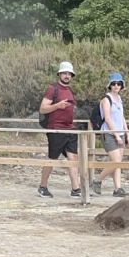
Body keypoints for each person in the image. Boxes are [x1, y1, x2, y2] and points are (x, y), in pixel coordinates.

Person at [37, 61, 82, 198]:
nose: (67, 76)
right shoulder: (53, 89)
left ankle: (76, 189)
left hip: (69, 129)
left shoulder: (70, 90)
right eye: (64, 73)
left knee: (73, 157)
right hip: (55, 129)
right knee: (52, 158)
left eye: (69, 74)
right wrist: (57, 106)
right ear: (59, 74)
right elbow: (42, 108)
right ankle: (42, 187)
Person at [97, 73, 129, 197]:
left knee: (118, 162)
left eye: (119, 84)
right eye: (114, 84)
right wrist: (116, 135)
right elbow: (107, 118)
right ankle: (97, 180)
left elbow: (121, 117)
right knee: (116, 161)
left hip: (120, 133)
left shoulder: (119, 99)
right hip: (109, 133)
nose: (116, 86)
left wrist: (127, 134)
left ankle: (118, 188)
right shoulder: (106, 99)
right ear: (110, 85)